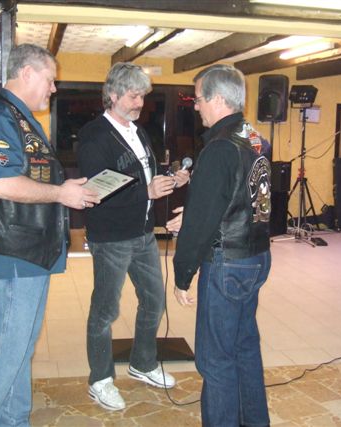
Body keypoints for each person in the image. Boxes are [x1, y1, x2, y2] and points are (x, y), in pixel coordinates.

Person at [0, 44, 99, 426]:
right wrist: (61, 194)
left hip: (28, 249)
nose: (54, 88)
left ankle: (14, 421)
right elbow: (0, 184)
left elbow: (29, 175)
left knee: (20, 348)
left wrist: (65, 186)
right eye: (50, 79)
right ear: (27, 73)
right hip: (10, 250)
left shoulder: (19, 118)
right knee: (6, 351)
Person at [76, 62, 189, 411]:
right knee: (105, 311)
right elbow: (97, 190)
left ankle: (142, 363)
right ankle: (100, 380)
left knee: (154, 301)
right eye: (133, 96)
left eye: (142, 96)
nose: (140, 103)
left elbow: (143, 175)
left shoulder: (138, 132)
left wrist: (172, 177)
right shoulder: (94, 135)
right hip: (110, 237)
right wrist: (147, 192)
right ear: (112, 94)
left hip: (143, 233)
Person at [169, 64, 272, 427]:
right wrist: (197, 211)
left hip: (226, 262)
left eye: (198, 99)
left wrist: (182, 274)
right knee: (244, 347)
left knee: (214, 359)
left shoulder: (219, 147)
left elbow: (201, 224)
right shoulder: (255, 137)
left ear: (216, 99)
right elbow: (249, 197)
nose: (196, 106)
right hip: (256, 256)